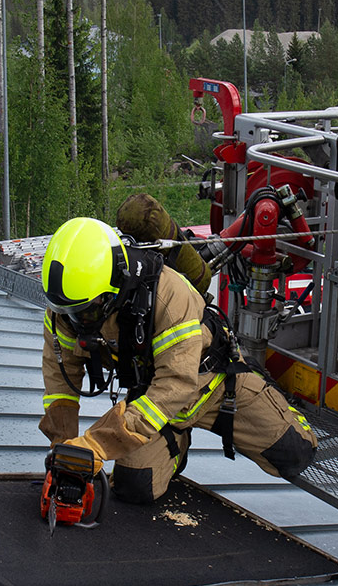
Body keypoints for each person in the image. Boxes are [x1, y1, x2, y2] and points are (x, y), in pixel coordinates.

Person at [38, 216, 317, 504]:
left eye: (87, 311)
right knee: (134, 487)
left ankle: (270, 399)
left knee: (296, 453)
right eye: (70, 312)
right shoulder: (66, 308)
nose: (78, 320)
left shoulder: (168, 296)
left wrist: (95, 444)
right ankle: (176, 442)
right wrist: (64, 449)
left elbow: (176, 383)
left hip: (216, 385)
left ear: (115, 285)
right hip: (155, 401)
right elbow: (60, 384)